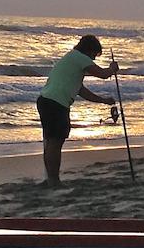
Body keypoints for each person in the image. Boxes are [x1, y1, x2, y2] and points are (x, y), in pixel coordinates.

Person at [37, 34, 118, 185]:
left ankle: (51, 178)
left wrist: (103, 101)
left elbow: (80, 90)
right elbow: (102, 74)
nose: (93, 59)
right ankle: (54, 180)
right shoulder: (79, 57)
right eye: (94, 55)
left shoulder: (71, 60)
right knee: (55, 142)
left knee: (51, 142)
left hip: (46, 101)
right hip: (56, 103)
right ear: (89, 50)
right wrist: (112, 69)